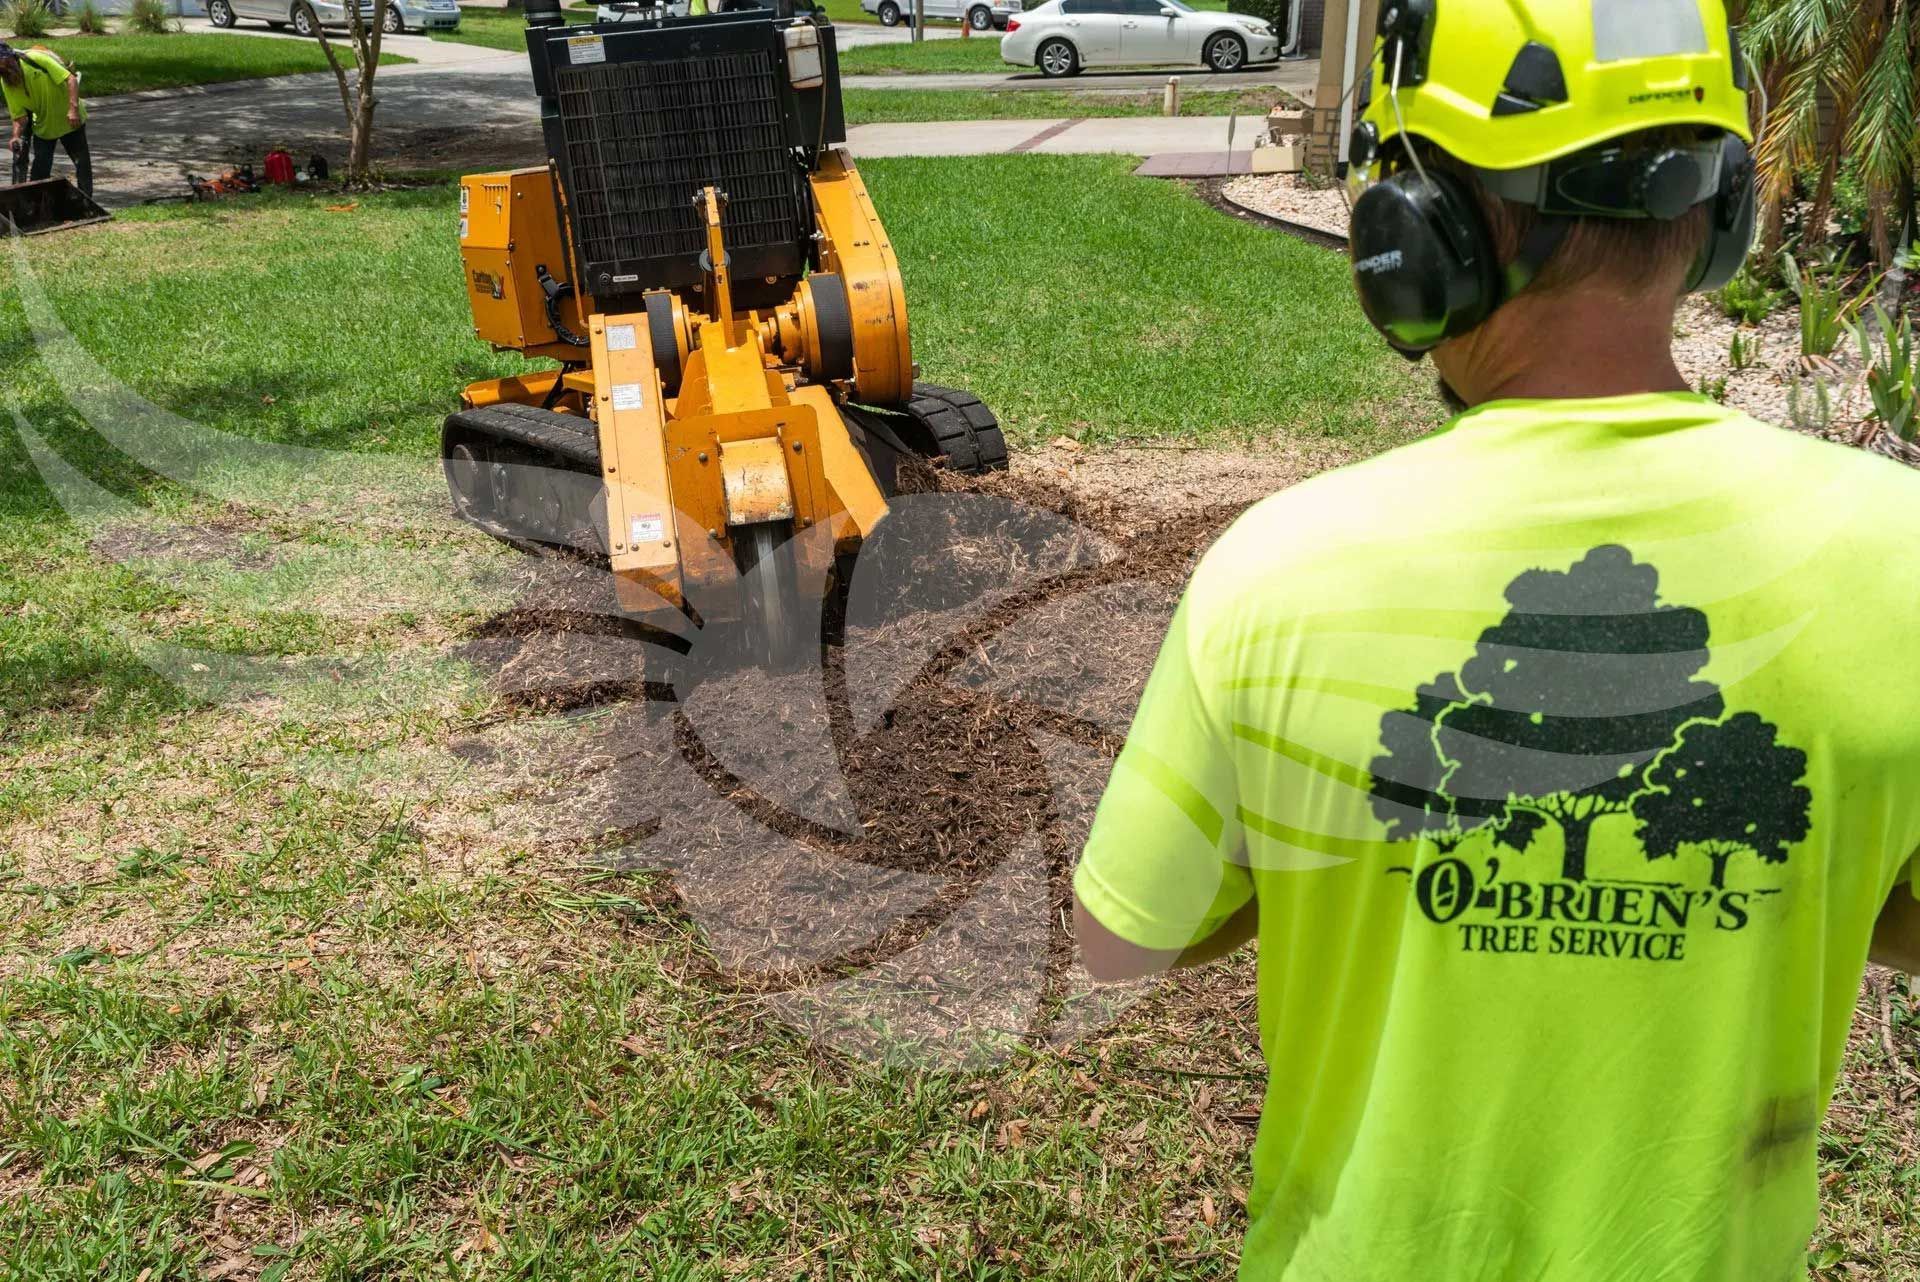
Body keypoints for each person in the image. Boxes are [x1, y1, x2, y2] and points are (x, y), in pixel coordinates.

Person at [1072, 1, 1920, 1279]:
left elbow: (1131, 934)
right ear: (1722, 218)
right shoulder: (1899, 553)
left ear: (1422, 239)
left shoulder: (1280, 569)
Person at [0, 41, 90, 198]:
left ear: (11, 57)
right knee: (40, 172)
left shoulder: (36, 59)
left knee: (81, 164)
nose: (3, 69)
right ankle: (36, 209)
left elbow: (71, 80)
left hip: (70, 121)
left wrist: (73, 109)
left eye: (2, 63)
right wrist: (16, 136)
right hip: (44, 127)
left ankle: (87, 202)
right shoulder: (6, 82)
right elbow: (19, 116)